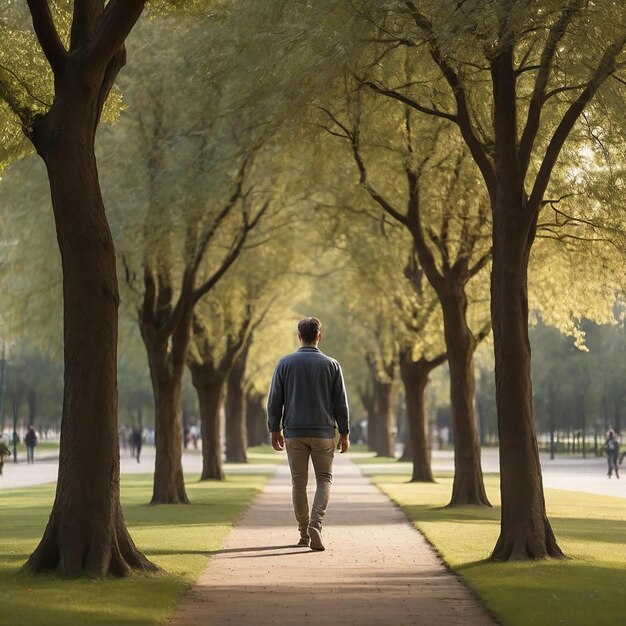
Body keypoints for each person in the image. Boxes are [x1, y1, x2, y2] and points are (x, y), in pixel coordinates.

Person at [267, 316, 350, 551]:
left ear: (299, 336)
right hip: (323, 433)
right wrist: (344, 433)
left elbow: (274, 401)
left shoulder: (284, 363)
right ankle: (316, 524)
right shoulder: (332, 365)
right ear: (318, 336)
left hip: (294, 432)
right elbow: (340, 403)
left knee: (298, 483)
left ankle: (304, 532)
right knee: (325, 480)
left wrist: (275, 429)